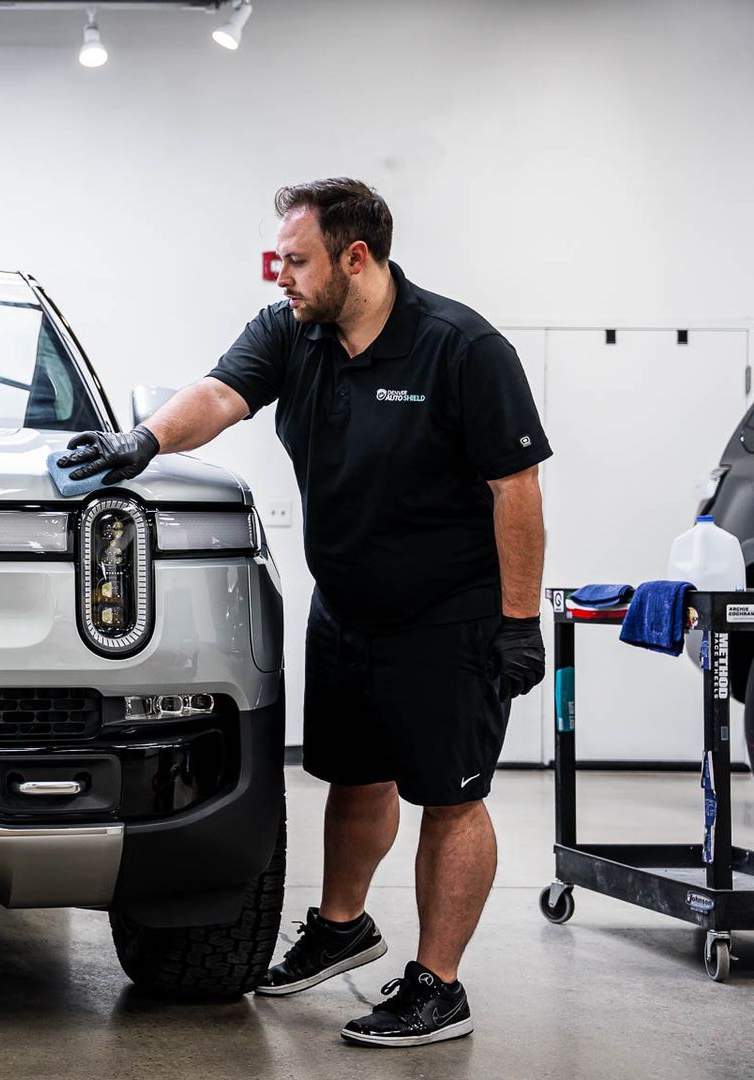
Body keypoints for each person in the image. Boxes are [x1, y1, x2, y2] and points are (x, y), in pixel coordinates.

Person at [58, 177, 548, 1048]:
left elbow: (516, 489)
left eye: (295, 260)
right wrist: (144, 441)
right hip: (347, 609)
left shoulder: (463, 348)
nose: (280, 276)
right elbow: (218, 393)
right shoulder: (296, 332)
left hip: (450, 617)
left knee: (450, 798)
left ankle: (440, 985)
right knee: (354, 778)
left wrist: (516, 621)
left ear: (354, 259)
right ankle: (342, 925)